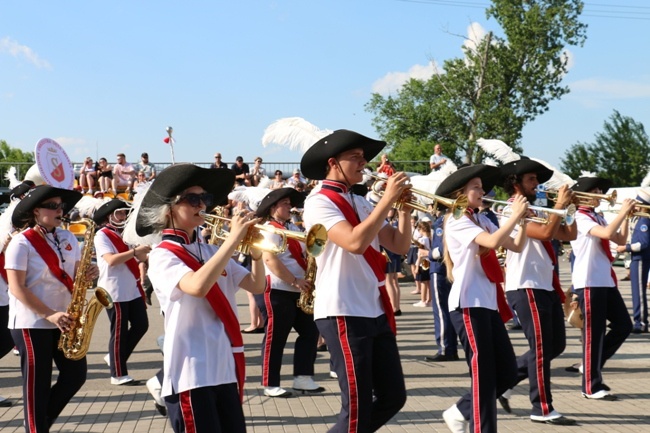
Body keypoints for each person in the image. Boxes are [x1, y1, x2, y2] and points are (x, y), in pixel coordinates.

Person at [132, 164, 266, 433]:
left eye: (204, 198)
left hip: (223, 364)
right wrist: (232, 242)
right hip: (189, 370)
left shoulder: (211, 249)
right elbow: (196, 286)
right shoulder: (162, 254)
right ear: (169, 209)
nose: (202, 204)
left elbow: (257, 285)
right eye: (192, 199)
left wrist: (257, 253)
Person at [301, 129, 411, 432]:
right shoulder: (318, 202)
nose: (364, 163)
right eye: (356, 157)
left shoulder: (362, 203)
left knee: (393, 397)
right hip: (342, 309)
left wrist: (404, 210)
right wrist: (387, 199)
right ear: (333, 162)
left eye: (364, 157)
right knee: (358, 406)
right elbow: (353, 242)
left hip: (373, 308)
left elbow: (399, 245)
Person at [436, 164, 528, 433]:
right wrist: (515, 216)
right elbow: (491, 242)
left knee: (508, 373)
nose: (483, 190)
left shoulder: (481, 218)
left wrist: (522, 221)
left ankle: (458, 411)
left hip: (487, 303)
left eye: (481, 186)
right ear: (460, 193)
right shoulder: (457, 219)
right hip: (467, 304)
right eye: (475, 186)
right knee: (484, 378)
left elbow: (516, 245)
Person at [6, 185, 99, 432]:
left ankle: (38, 423)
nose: (60, 210)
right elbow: (16, 288)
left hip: (64, 319)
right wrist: (50, 314)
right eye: (53, 206)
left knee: (75, 375)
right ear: (36, 211)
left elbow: (76, 273)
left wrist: (90, 272)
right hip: (32, 322)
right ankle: (37, 425)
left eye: (61, 206)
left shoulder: (68, 237)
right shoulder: (21, 243)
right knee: (38, 385)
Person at [496, 158, 578, 425]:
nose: (537, 184)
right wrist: (558, 206)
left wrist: (571, 209)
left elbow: (568, 235)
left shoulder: (538, 208)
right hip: (526, 285)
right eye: (531, 179)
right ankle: (541, 408)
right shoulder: (510, 209)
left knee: (557, 345)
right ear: (515, 183)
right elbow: (543, 233)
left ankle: (504, 382)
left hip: (544, 284)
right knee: (542, 349)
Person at [254, 188, 324, 398]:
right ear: (273, 208)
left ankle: (303, 377)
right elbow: (269, 259)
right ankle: (270, 383)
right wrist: (294, 280)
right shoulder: (267, 230)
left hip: (298, 290)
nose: (289, 207)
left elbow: (310, 252)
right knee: (276, 338)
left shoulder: (293, 227)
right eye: (285, 203)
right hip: (276, 289)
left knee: (310, 332)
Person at [570, 175, 634, 401]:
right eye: (596, 190)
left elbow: (618, 238)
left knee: (624, 326)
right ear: (583, 196)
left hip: (604, 279)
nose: (600, 194)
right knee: (593, 334)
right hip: (589, 280)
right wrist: (622, 212)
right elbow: (606, 234)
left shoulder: (596, 216)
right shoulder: (579, 217)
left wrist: (627, 218)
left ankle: (591, 365)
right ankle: (590, 385)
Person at [93, 199, 150, 385]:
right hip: (113, 289)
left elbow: (141, 256)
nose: (124, 217)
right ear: (109, 216)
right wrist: (135, 252)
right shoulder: (102, 235)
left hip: (130, 287)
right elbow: (111, 260)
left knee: (141, 325)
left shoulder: (126, 234)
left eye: (125, 213)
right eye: (120, 213)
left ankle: (115, 357)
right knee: (118, 332)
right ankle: (118, 374)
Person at [424, 208, 460, 363]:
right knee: (448, 310)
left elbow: (440, 250)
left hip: (439, 269)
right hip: (450, 269)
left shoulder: (442, 221)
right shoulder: (454, 218)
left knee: (441, 311)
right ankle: (450, 347)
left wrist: (427, 254)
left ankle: (446, 348)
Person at [616, 188, 650, 334]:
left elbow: (644, 243)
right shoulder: (639, 218)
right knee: (636, 291)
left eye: (636, 203)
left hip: (641, 258)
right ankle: (639, 321)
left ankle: (641, 322)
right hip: (637, 258)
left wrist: (626, 247)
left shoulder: (644, 220)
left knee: (639, 292)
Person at [413, 219, 432, 307]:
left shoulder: (422, 240)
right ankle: (429, 299)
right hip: (430, 261)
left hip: (423, 262)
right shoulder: (430, 238)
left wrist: (417, 266)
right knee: (429, 282)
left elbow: (420, 254)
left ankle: (423, 300)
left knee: (423, 282)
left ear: (421, 229)